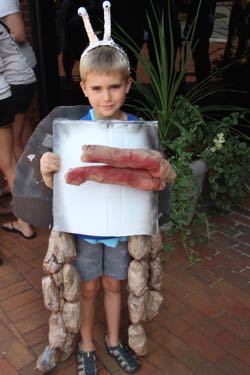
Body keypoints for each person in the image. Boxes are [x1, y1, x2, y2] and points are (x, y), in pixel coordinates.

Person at [40, 3, 174, 374]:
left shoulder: (138, 131)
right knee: (86, 288)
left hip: (120, 229)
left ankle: (114, 340)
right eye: (97, 88)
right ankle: (86, 345)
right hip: (84, 228)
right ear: (84, 88)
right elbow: (56, 173)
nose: (107, 96)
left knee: (116, 285)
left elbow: (157, 175)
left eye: (115, 86)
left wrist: (165, 169)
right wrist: (46, 164)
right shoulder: (71, 131)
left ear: (128, 85)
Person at [0, 20, 36, 239]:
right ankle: (25, 219)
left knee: (9, 159)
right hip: (4, 92)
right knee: (9, 161)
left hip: (5, 93)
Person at [0, 0, 37, 159]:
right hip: (20, 76)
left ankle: (24, 181)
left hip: (17, 78)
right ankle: (30, 175)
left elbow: (19, 33)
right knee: (19, 135)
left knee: (13, 144)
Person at [183, 0, 217, 83]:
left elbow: (193, 9)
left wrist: (188, 25)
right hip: (205, 24)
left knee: (200, 55)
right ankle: (204, 79)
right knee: (202, 54)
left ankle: (202, 80)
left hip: (200, 25)